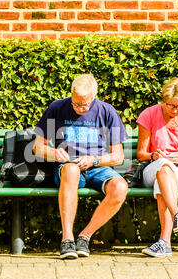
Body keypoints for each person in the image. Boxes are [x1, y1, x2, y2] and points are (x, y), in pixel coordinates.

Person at [33, 74, 128, 259]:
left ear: (94, 97)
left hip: (97, 166)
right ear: (71, 94)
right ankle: (67, 239)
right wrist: (54, 153)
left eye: (85, 104)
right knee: (71, 169)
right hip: (68, 166)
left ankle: (84, 237)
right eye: (76, 103)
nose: (80, 108)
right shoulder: (57, 108)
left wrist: (95, 160)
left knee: (120, 187)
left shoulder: (107, 112)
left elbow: (118, 156)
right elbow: (37, 147)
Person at [136, 77, 178, 257]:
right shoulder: (149, 114)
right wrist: (154, 156)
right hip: (153, 167)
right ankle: (177, 216)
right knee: (163, 168)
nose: (174, 110)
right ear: (163, 100)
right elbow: (141, 154)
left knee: (165, 177)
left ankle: (164, 243)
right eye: (170, 105)